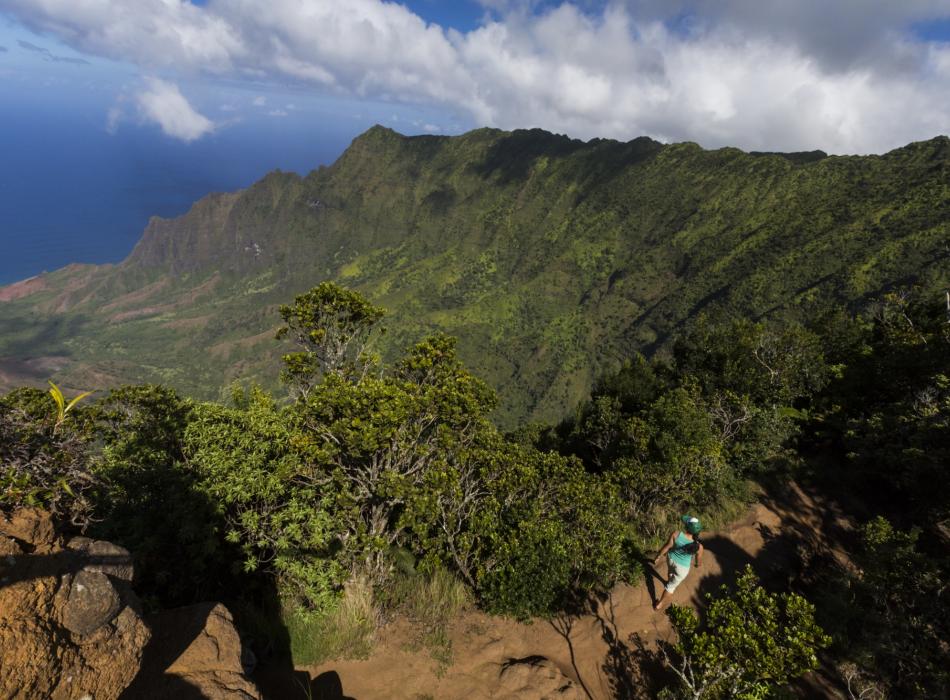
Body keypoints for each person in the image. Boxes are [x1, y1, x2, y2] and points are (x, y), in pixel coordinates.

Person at [652, 515, 703, 611]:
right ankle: (659, 605)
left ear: (687, 527)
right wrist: (697, 565)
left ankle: (670, 579)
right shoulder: (699, 547)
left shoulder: (676, 534)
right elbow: (698, 563)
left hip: (670, 559)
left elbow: (667, 546)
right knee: (670, 588)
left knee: (671, 571)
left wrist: (658, 556)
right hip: (682, 569)